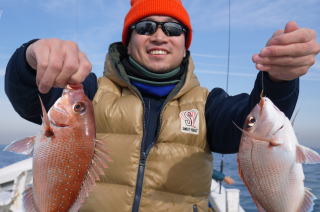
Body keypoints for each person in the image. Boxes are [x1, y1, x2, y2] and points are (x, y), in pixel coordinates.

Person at [4, 0, 320, 211]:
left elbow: (257, 126)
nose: (158, 35)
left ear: (185, 45)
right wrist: (31, 58)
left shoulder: (210, 105)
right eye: (144, 28)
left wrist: (278, 79)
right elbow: (32, 99)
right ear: (128, 41)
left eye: (172, 29)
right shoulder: (88, 92)